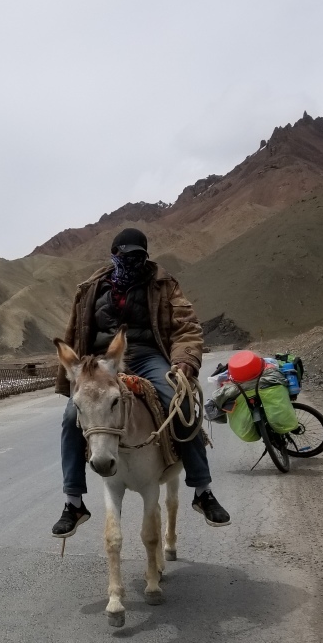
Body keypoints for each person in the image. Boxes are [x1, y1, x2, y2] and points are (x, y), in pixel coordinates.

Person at [52, 227, 231, 537]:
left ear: (145, 256)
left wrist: (185, 360)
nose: (132, 261)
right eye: (125, 256)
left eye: (138, 256)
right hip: (101, 361)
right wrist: (78, 368)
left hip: (148, 356)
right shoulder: (91, 287)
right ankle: (73, 501)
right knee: (71, 417)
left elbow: (186, 327)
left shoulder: (163, 285)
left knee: (181, 402)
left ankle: (203, 490)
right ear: (114, 255)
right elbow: (75, 331)